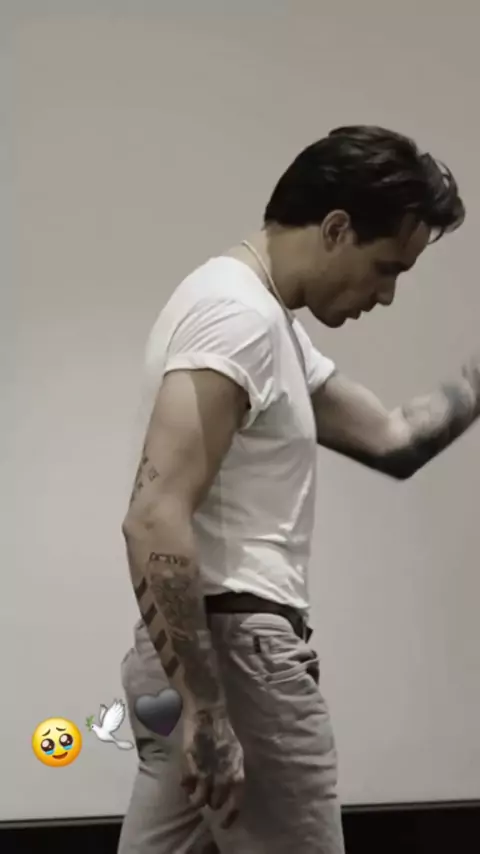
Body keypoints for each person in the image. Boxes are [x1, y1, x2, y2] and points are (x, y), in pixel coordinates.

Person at [118, 125, 479, 854]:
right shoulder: (238, 319)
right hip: (235, 660)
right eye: (386, 268)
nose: (387, 294)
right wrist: (209, 708)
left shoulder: (263, 319)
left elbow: (393, 438)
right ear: (337, 228)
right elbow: (154, 516)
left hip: (198, 659)